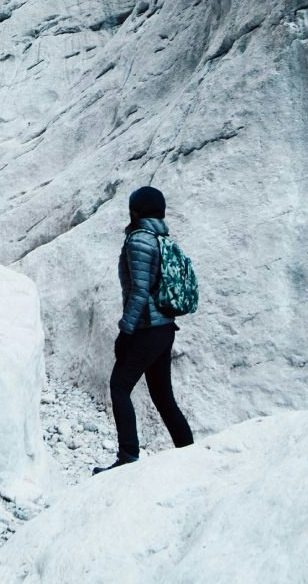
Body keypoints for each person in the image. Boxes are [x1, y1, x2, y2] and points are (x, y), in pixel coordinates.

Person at [95, 185, 194, 473]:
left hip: (147, 328)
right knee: (163, 397)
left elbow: (139, 292)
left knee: (119, 387)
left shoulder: (139, 240)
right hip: (164, 328)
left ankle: (128, 455)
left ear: (135, 211)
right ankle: (190, 455)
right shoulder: (162, 238)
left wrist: (125, 332)